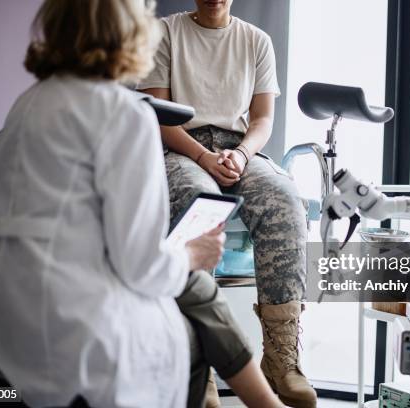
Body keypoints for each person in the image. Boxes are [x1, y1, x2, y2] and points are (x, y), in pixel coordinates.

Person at [0, 0, 283, 407]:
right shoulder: (124, 116)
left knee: (193, 290)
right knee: (191, 336)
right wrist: (193, 252)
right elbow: (142, 267)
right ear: (132, 30)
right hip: (59, 363)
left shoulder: (27, 106)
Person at [138, 1, 316, 407]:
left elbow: (262, 120)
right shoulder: (165, 33)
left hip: (239, 150)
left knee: (285, 197)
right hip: (183, 150)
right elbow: (161, 117)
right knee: (201, 202)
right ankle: (198, 367)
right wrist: (203, 157)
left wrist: (242, 156)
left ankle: (281, 358)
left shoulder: (256, 40)